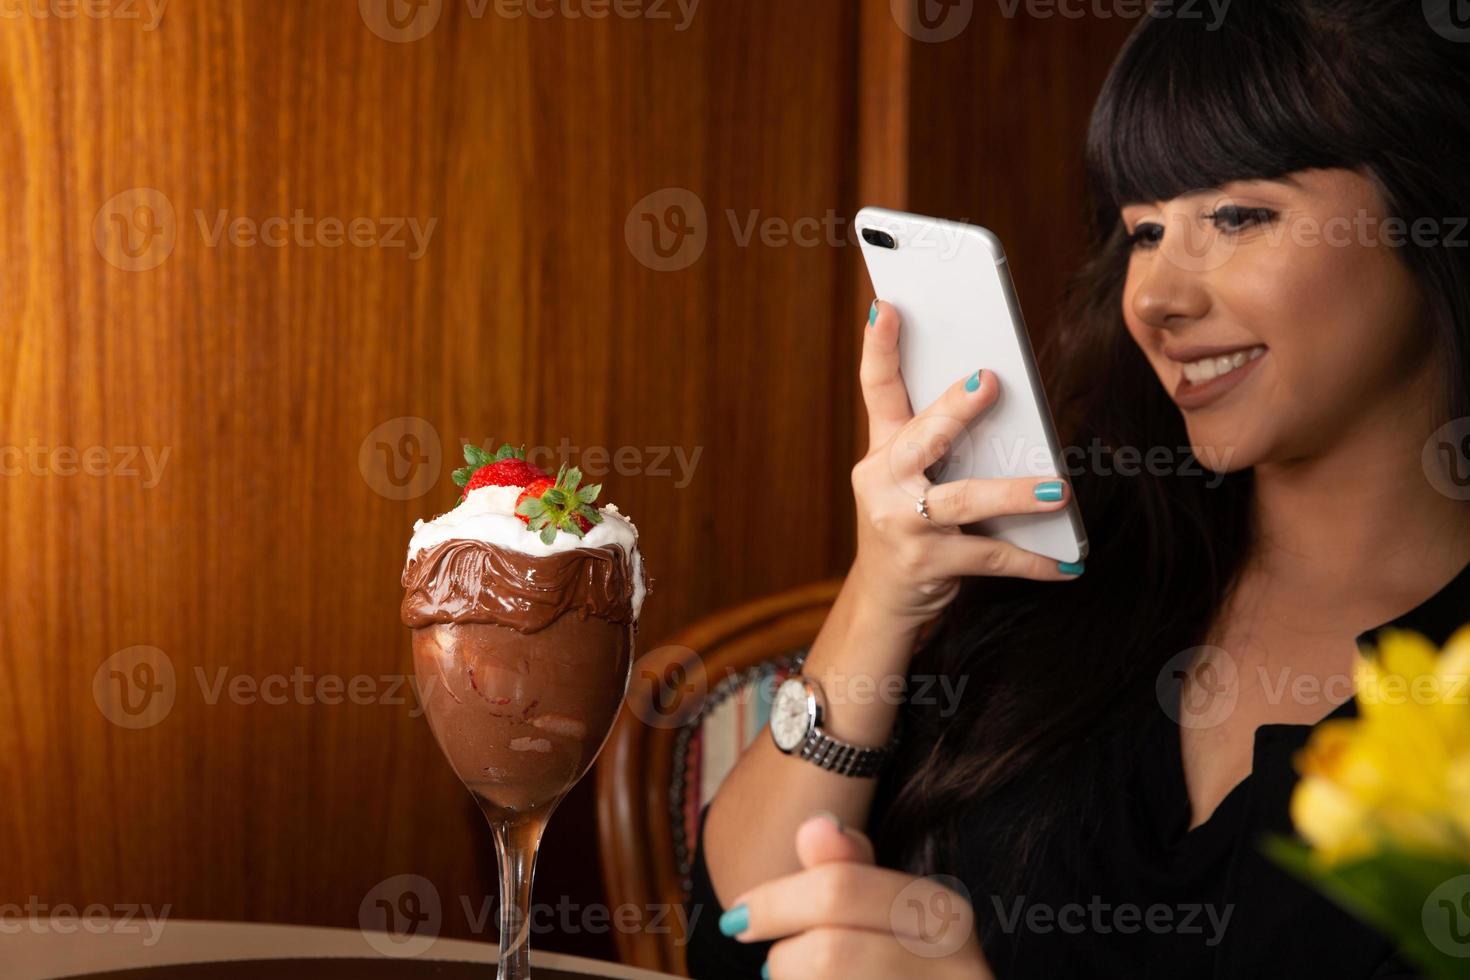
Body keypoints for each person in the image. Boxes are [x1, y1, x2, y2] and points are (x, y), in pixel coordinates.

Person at [685, 1, 1470, 976]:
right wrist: (883, 591)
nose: (1156, 297)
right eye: (1143, 230)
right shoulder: (1074, 572)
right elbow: (737, 933)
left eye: (1237, 215)